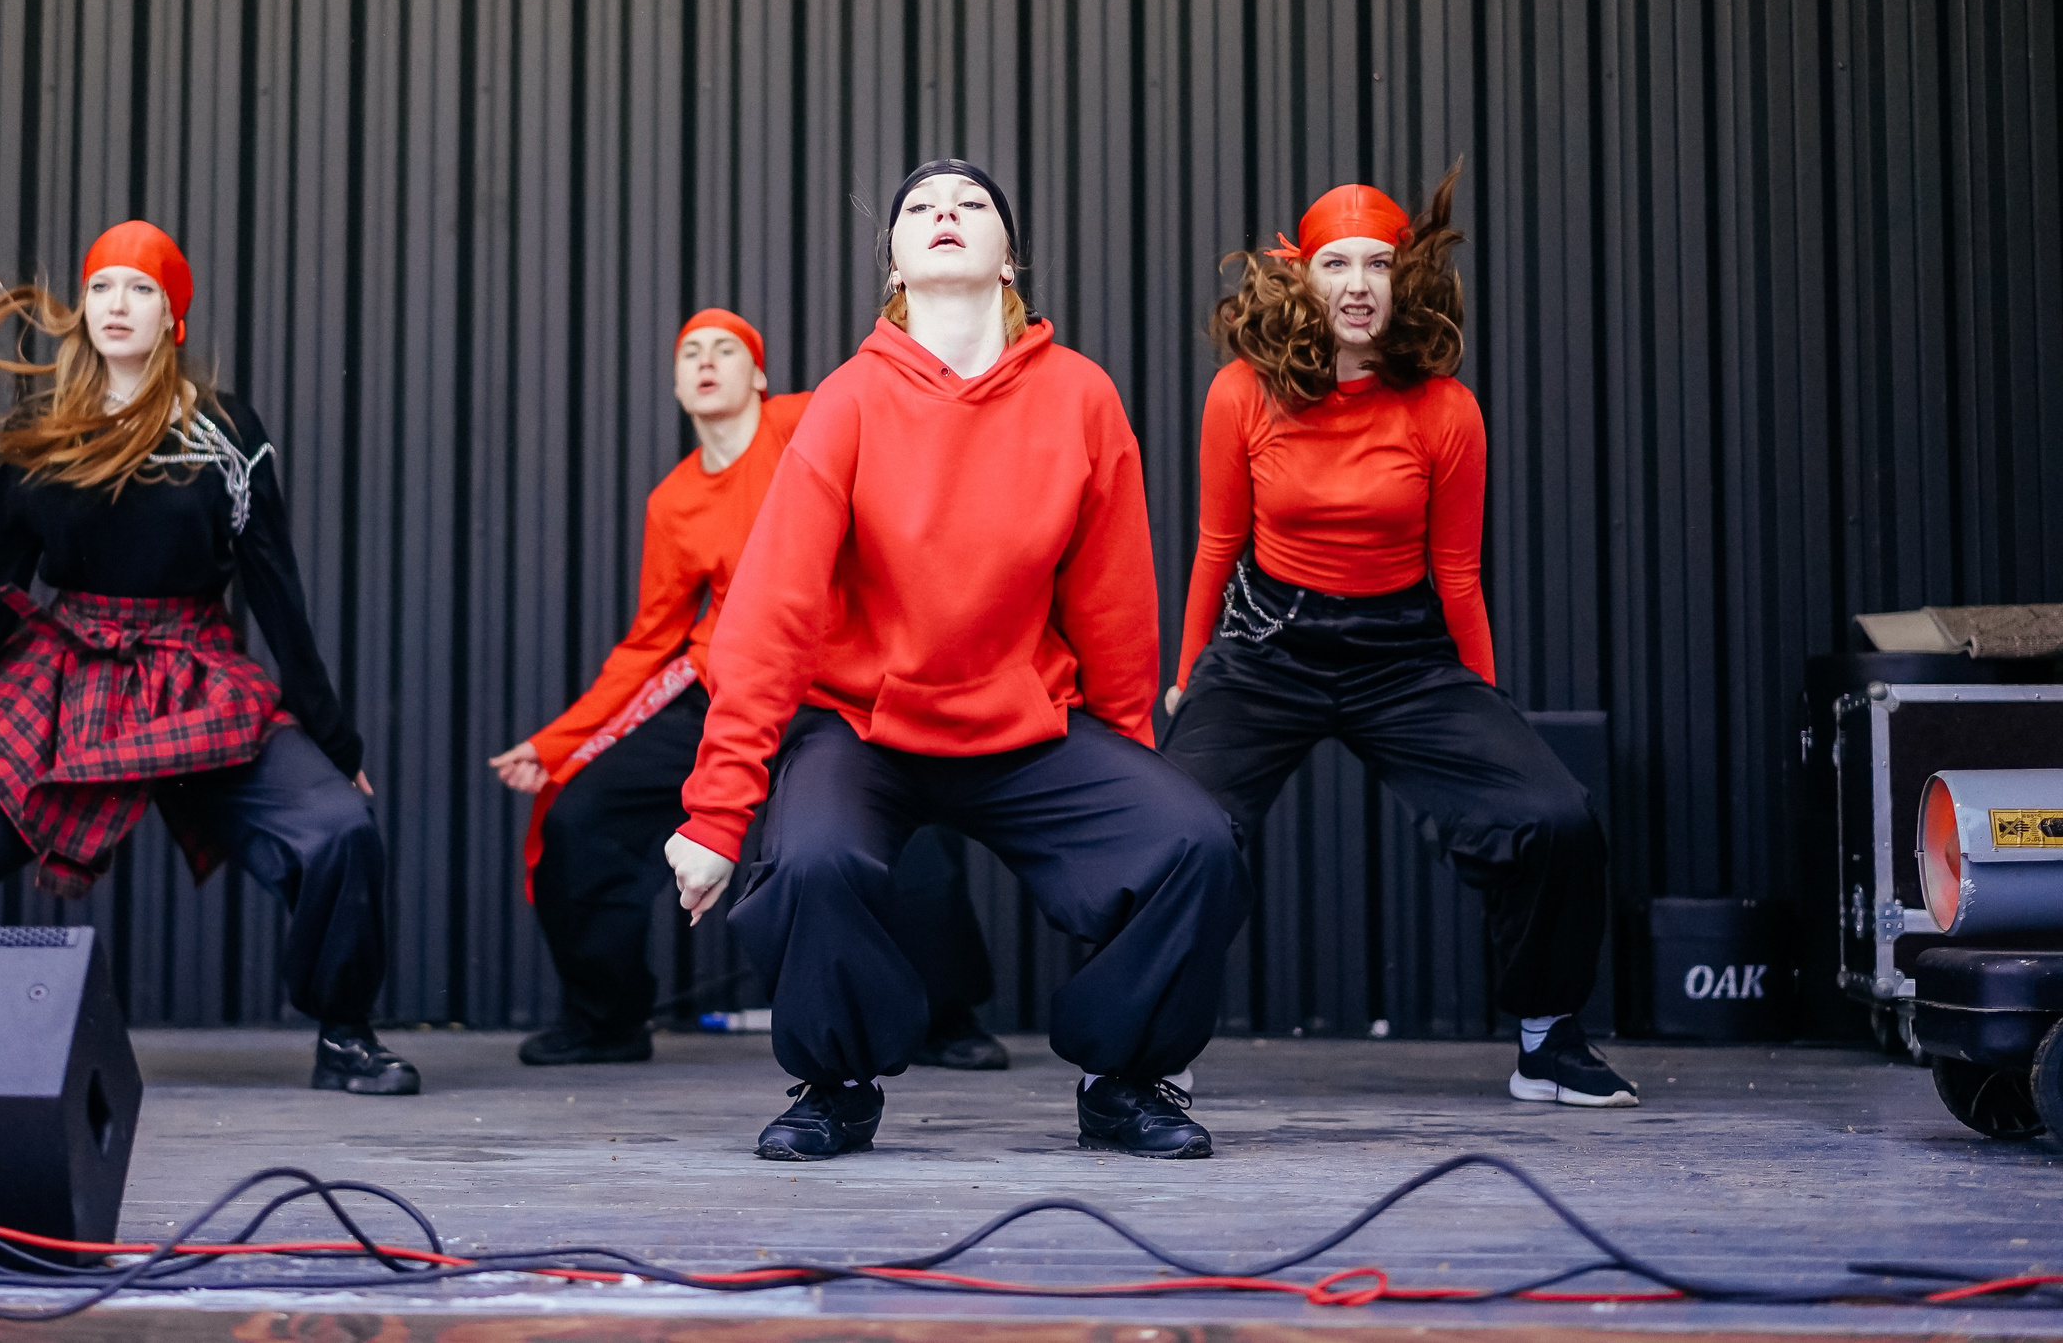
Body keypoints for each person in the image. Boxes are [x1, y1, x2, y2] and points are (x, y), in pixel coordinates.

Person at [664, 160, 1251, 1162]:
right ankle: (837, 1085)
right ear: (893, 261)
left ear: (1006, 255)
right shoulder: (847, 403)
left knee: (1192, 842)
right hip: (866, 727)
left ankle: (1122, 1079)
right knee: (815, 860)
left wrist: (1129, 770)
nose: (945, 215)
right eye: (920, 208)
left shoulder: (1079, 396)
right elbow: (772, 613)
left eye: (970, 204)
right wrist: (718, 811)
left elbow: (1112, 602)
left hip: (1024, 725)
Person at [0, 223, 418, 1096]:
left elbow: (277, 592)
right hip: (64, 674)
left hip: (195, 672)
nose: (119, 304)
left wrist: (338, 746)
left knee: (340, 831)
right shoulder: (36, 432)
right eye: (103, 288)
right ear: (83, 309)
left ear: (173, 317)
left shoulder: (226, 431)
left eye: (142, 289)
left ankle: (346, 1033)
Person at [1157, 165, 1635, 1108]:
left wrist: (1487, 698)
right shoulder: (1241, 396)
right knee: (1174, 831)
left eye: (1379, 263)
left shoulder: (1445, 409)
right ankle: (1150, 1050)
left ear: (1405, 277)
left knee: (1555, 817)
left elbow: (1458, 572)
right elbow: (1217, 542)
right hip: (1268, 647)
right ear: (1303, 277)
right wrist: (1182, 678)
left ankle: (1547, 1037)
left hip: (1403, 654)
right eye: (1337, 263)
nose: (1359, 283)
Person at [489, 310, 1007, 1069]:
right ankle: (606, 1019)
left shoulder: (806, 421)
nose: (706, 362)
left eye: (725, 350)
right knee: (579, 818)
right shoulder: (673, 501)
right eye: (690, 353)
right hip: (727, 680)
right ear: (676, 384)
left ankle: (946, 1019)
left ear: (758, 375)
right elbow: (649, 640)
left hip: (835, 678)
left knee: (905, 824)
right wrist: (556, 742)